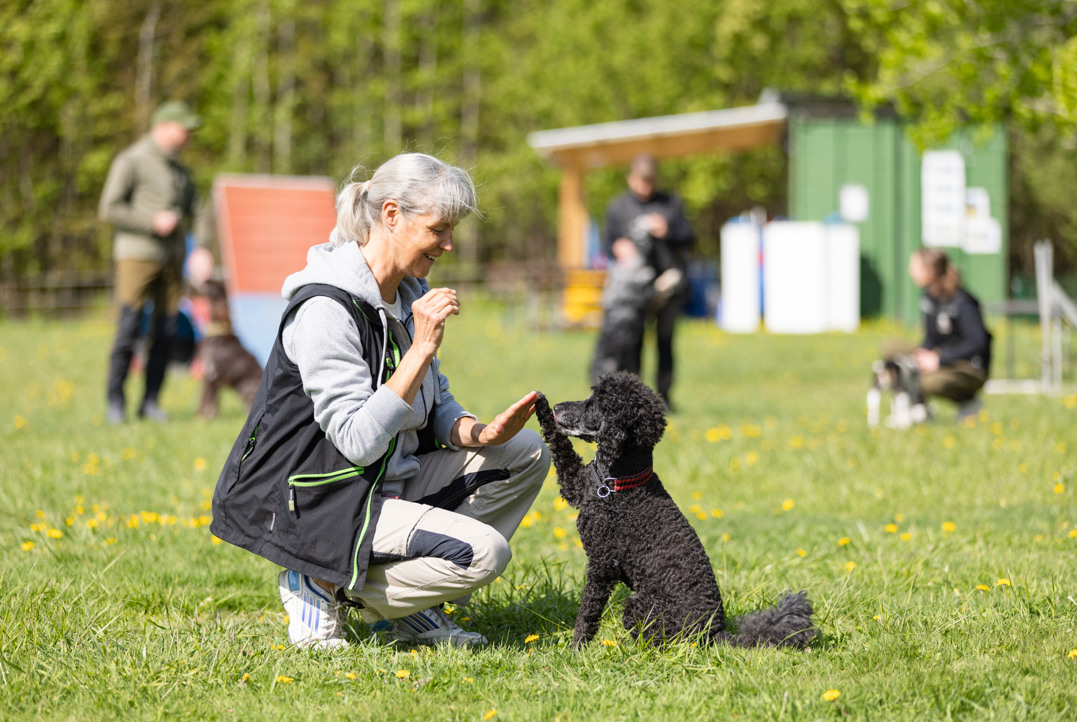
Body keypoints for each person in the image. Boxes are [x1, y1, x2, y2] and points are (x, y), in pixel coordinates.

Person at [210, 153, 550, 649]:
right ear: (391, 215)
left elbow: (434, 403)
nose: (449, 244)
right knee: (485, 555)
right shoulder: (326, 308)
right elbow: (356, 441)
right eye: (439, 229)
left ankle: (404, 603)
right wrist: (420, 349)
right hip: (322, 496)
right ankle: (317, 579)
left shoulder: (408, 293)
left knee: (525, 455)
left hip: (384, 484)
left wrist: (480, 433)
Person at [99, 100, 215, 424]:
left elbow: (200, 210)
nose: (188, 136)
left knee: (165, 331)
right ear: (163, 127)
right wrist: (151, 221)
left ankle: (150, 402)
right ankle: (115, 404)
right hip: (137, 256)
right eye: (184, 130)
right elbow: (109, 207)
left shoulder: (180, 170)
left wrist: (202, 247)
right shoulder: (131, 160)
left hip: (172, 260)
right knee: (129, 327)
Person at [599, 154, 694, 408]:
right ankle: (636, 399)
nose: (645, 187)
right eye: (641, 182)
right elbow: (608, 244)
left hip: (668, 284)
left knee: (665, 342)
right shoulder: (618, 207)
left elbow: (689, 237)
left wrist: (669, 231)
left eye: (649, 182)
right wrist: (617, 246)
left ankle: (664, 397)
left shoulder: (670, 203)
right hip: (633, 287)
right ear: (631, 178)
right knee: (633, 342)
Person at [887, 247, 992, 422]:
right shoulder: (929, 298)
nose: (910, 272)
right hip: (940, 358)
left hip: (968, 367)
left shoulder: (963, 302)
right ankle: (915, 406)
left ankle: (968, 402)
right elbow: (931, 337)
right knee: (891, 348)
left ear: (929, 272)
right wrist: (923, 353)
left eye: (915, 267)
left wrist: (939, 358)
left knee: (928, 382)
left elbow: (977, 342)